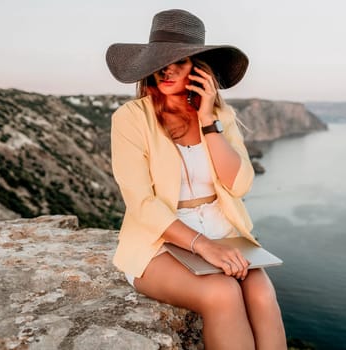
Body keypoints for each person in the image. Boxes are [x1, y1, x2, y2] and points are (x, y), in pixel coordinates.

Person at [105, 9, 287, 350]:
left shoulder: (219, 116)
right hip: (158, 239)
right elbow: (141, 204)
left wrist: (207, 121)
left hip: (222, 230)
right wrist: (204, 246)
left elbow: (239, 185)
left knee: (262, 294)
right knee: (222, 293)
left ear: (198, 67)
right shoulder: (130, 119)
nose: (167, 69)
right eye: (160, 59)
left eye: (180, 60)